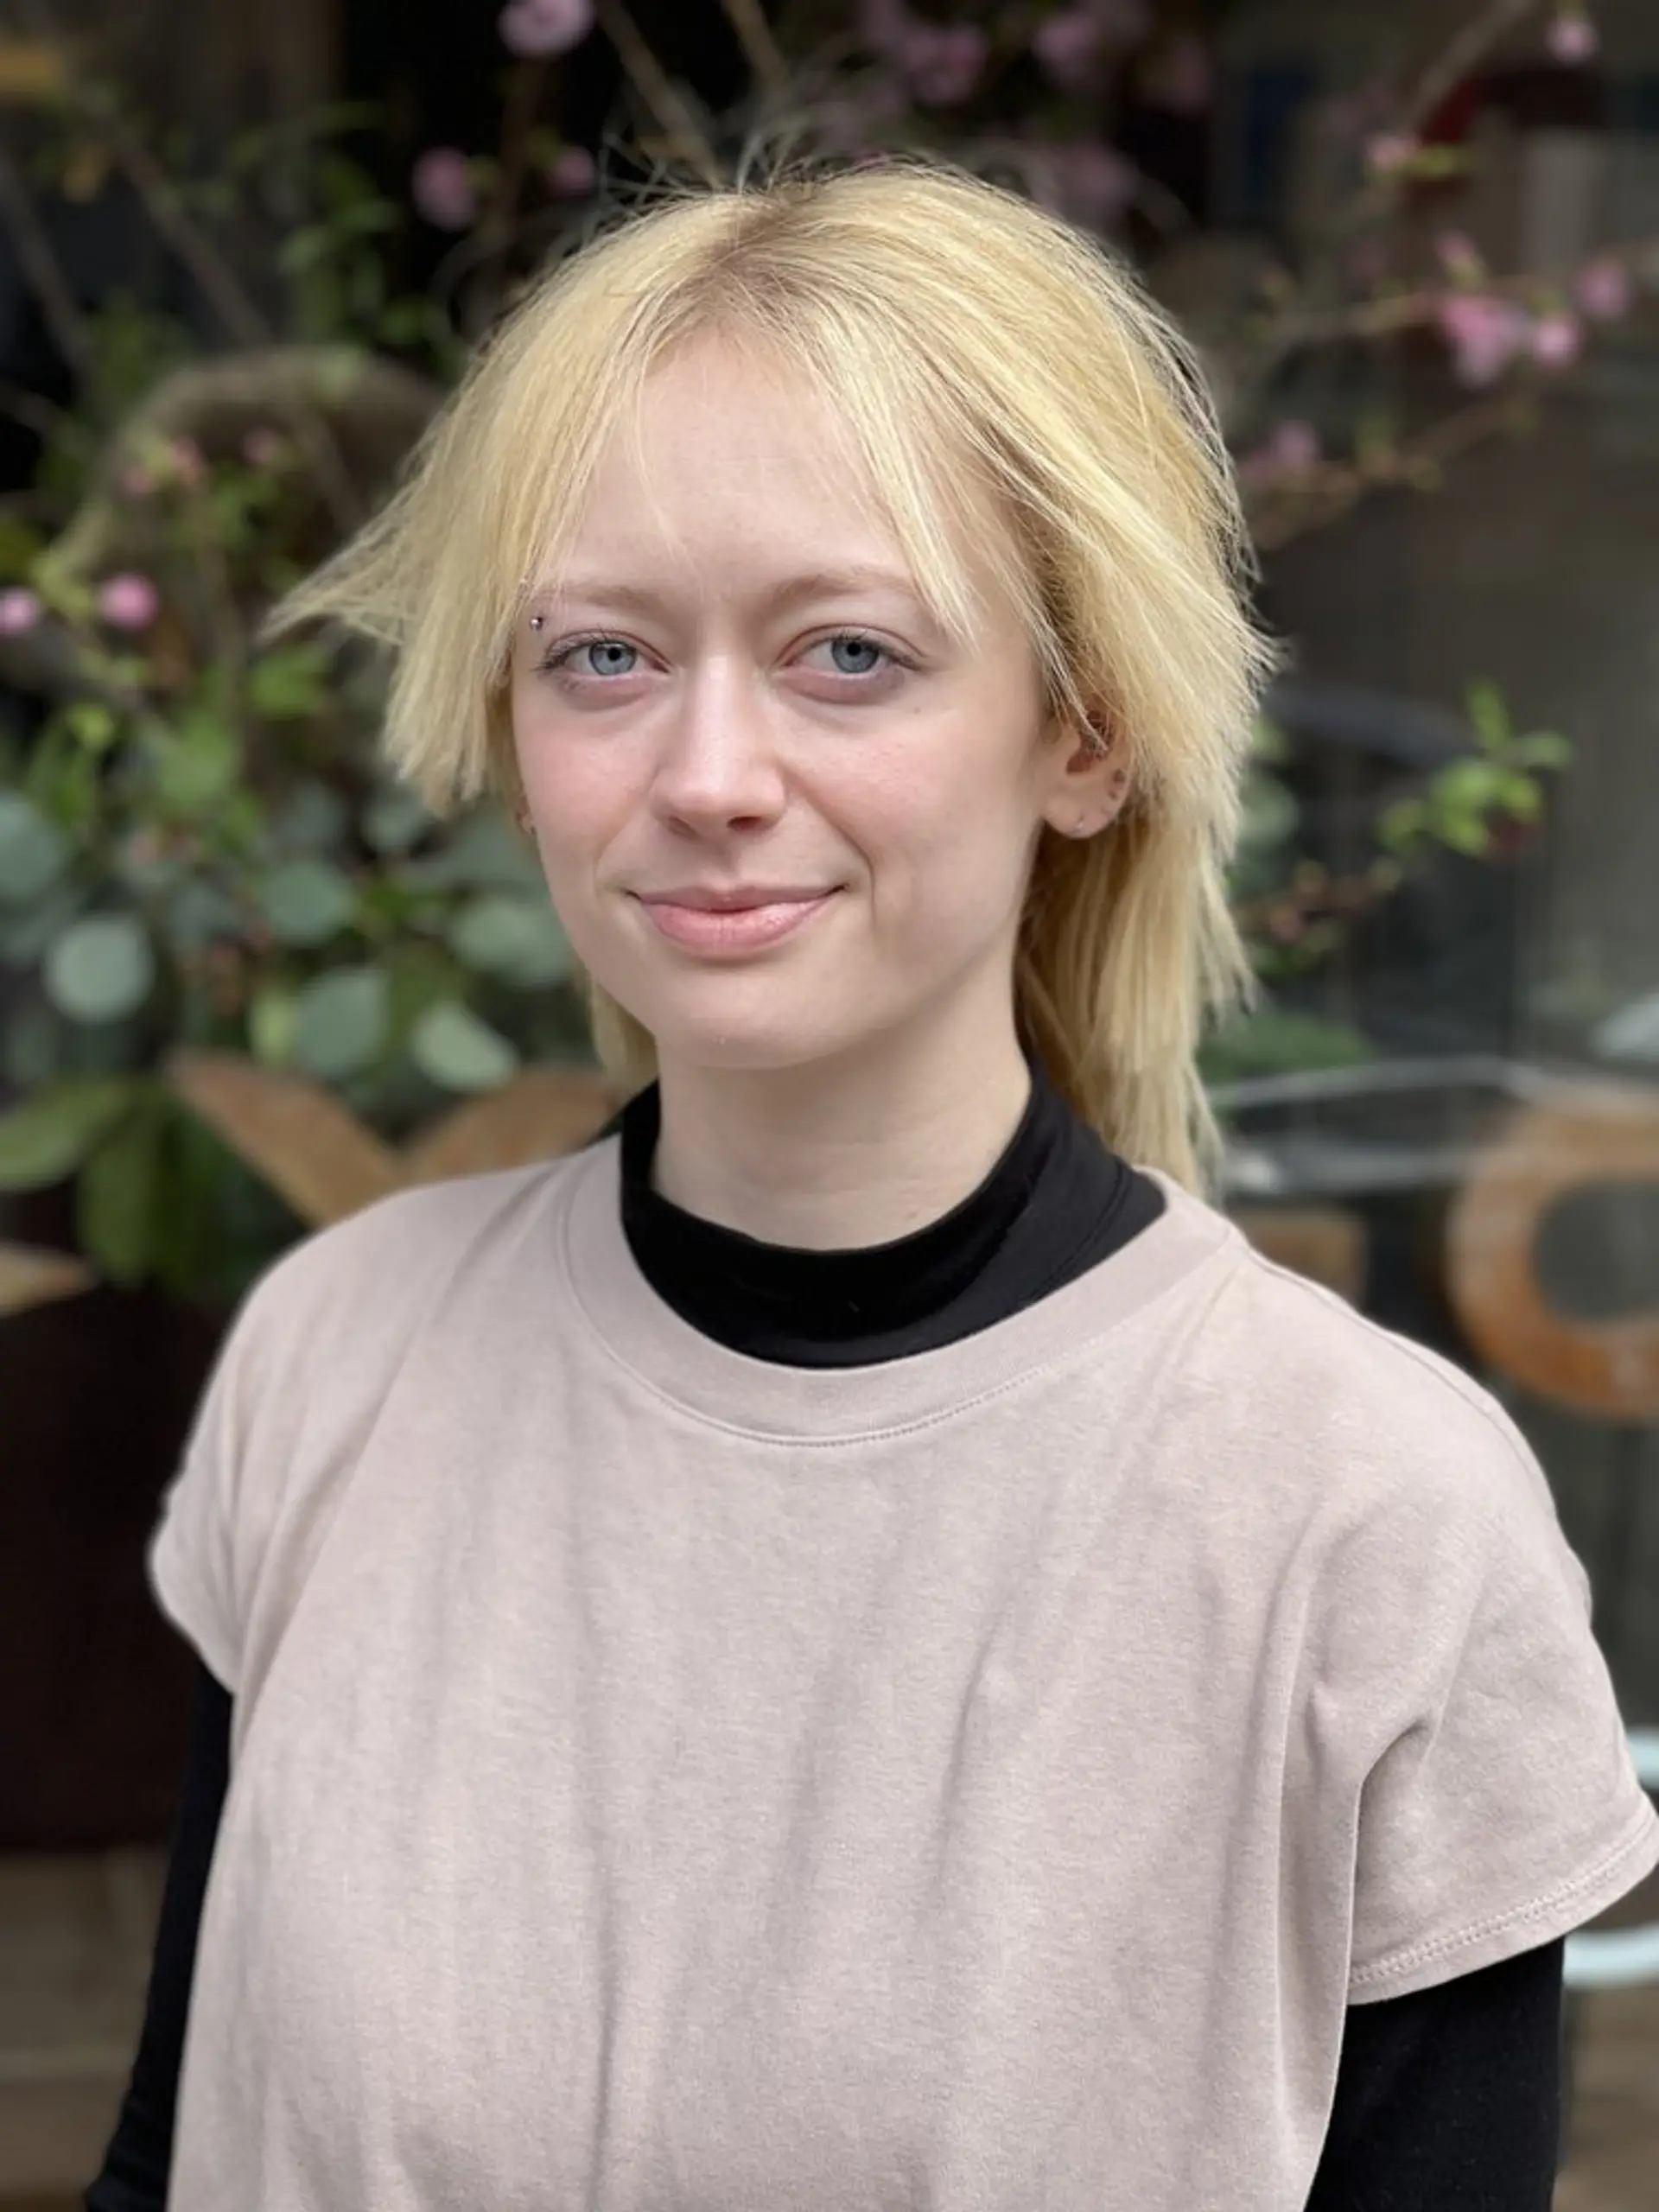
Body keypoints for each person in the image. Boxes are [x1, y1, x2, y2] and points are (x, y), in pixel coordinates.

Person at [89, 161, 1656, 2212]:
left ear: (1085, 732)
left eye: (845, 652)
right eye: (604, 655)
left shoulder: (1366, 1523)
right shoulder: (338, 1359)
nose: (710, 771)